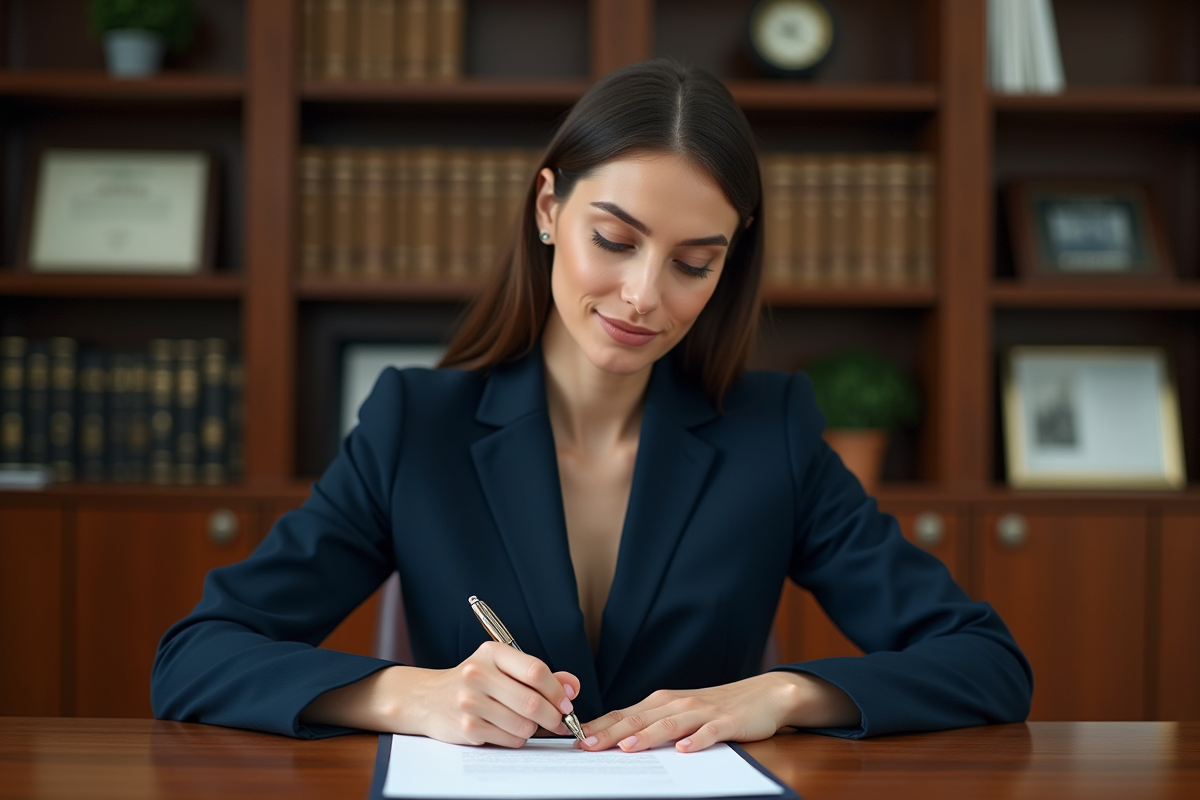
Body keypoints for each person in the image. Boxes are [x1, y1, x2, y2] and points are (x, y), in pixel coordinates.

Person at [152, 59, 1032, 751]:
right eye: (614, 239)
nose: (644, 296)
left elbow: (986, 662)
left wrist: (784, 694)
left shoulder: (773, 431)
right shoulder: (415, 425)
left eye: (693, 263)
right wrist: (405, 695)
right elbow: (196, 656)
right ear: (548, 207)